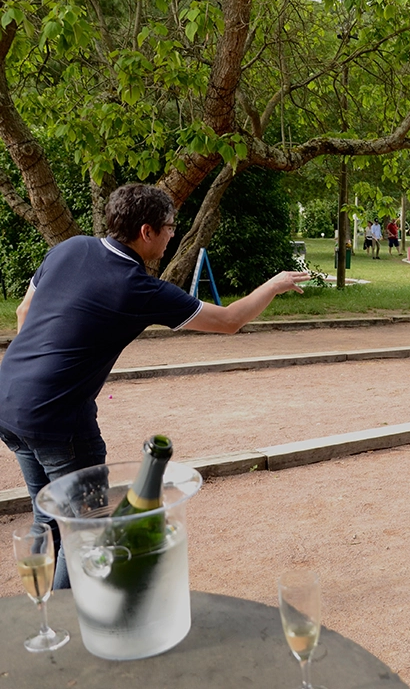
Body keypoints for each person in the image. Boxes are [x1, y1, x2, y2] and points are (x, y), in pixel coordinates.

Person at [0, 183, 309, 589]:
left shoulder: (70, 248)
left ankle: (45, 620)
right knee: (85, 530)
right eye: (169, 227)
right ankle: (69, 625)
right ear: (146, 232)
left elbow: (24, 309)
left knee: (49, 516)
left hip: (8, 400)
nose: (172, 235)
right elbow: (230, 320)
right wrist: (274, 284)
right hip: (58, 418)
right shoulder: (138, 288)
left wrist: (32, 374)